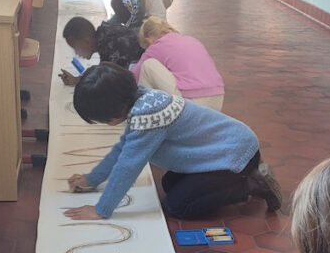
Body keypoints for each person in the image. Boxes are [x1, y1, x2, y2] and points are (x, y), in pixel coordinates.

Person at [63, 63, 282, 220]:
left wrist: (102, 209)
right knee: (169, 184)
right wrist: (93, 179)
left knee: (179, 206)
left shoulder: (147, 116)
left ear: (110, 114)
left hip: (235, 156)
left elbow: (128, 165)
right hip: (228, 147)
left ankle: (251, 184)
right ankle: (239, 179)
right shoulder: (141, 99)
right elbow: (123, 149)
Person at [133, 17, 225, 110]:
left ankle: (141, 114)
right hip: (217, 99)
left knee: (148, 65)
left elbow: (134, 77)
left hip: (191, 100)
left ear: (148, 40)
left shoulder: (156, 46)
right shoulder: (191, 39)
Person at [58, 16, 143, 87]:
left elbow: (108, 79)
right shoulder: (104, 33)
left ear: (86, 41)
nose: (77, 53)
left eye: (77, 48)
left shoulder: (112, 43)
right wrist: (77, 79)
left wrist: (77, 80)